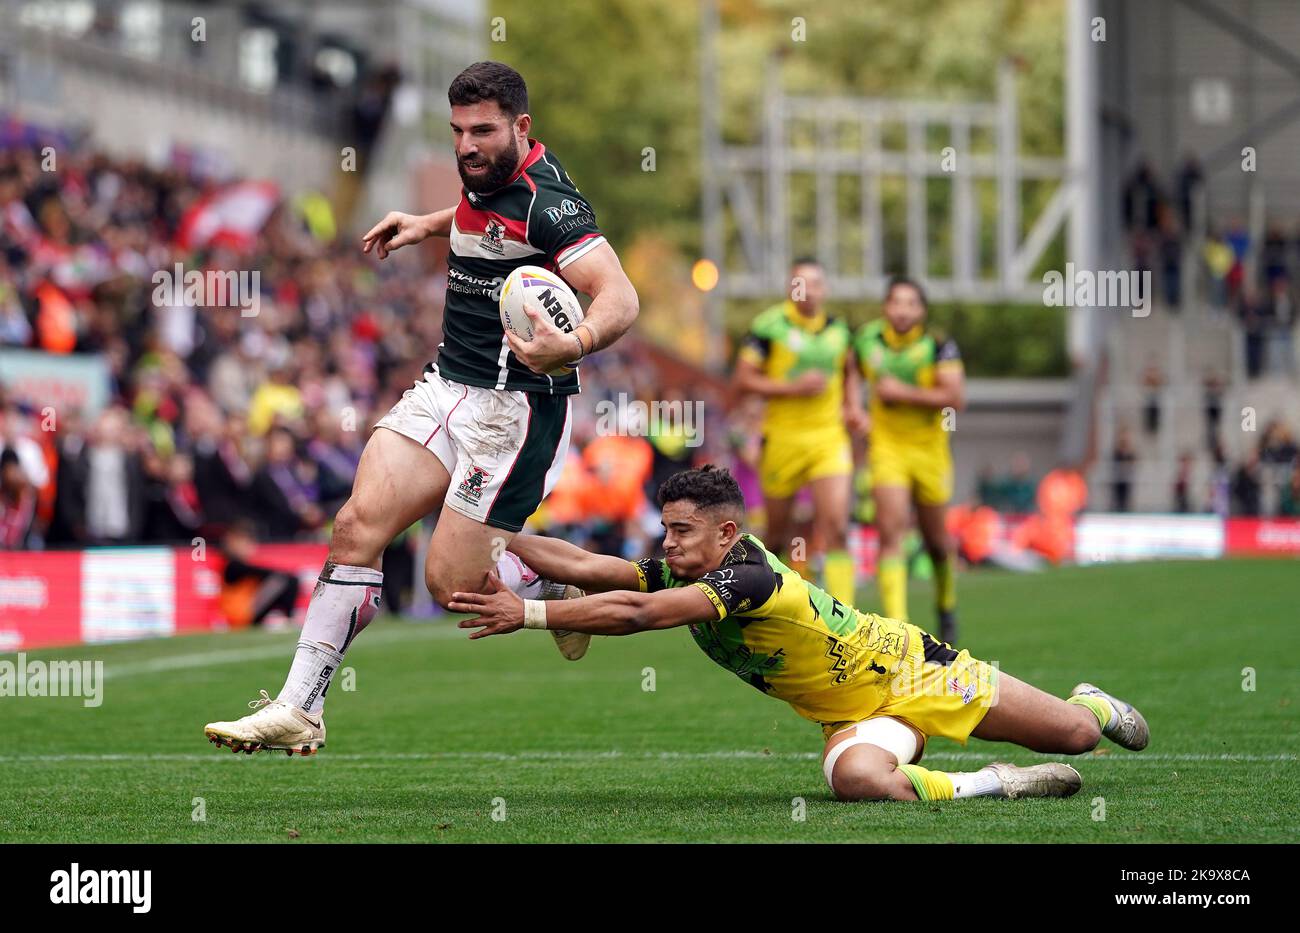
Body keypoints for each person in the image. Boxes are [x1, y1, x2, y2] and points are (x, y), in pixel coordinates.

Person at [204, 61, 640, 756]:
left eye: (483, 131)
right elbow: (478, 217)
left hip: (515, 410)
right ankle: (300, 707)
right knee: (355, 525)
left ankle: (550, 575)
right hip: (445, 384)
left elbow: (620, 295)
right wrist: (427, 222)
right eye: (458, 130)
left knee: (451, 584)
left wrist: (576, 341)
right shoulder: (484, 179)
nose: (467, 145)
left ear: (522, 128)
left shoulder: (551, 205)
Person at [452, 466, 1149, 803]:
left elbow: (637, 614)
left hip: (913, 669)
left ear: (727, 532)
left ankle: (1088, 701)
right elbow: (582, 563)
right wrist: (488, 527)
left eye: (682, 530)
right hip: (849, 713)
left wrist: (530, 613)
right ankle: (999, 784)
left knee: (1078, 736)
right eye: (666, 528)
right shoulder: (691, 562)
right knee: (856, 781)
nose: (668, 543)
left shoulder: (748, 577)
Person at [732, 258, 865, 606]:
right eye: (800, 284)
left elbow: (850, 371)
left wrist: (853, 407)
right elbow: (743, 379)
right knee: (776, 533)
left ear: (825, 289)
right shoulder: (768, 327)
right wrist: (793, 388)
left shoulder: (839, 330)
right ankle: (769, 603)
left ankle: (844, 618)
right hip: (782, 439)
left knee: (835, 526)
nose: (809, 291)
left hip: (829, 438)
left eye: (815, 283)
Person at [853, 277, 964, 644]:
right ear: (886, 306)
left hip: (930, 451)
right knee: (891, 532)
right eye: (896, 302)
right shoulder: (866, 340)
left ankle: (946, 603)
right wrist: (853, 408)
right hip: (887, 450)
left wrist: (903, 392)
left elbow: (955, 398)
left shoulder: (938, 345)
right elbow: (849, 372)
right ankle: (897, 627)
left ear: (922, 310)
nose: (903, 310)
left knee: (936, 542)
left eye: (911, 303)